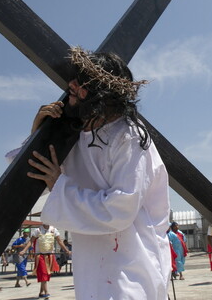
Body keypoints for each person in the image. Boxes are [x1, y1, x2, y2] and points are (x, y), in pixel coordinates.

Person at [26, 48, 171, 299]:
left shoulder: (129, 137)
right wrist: (38, 133)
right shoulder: (74, 134)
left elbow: (119, 210)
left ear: (101, 92)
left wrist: (59, 185)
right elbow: (32, 175)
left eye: (80, 82)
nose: (70, 85)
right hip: (92, 264)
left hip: (131, 265)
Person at [21, 223, 71, 298]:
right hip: (40, 255)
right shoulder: (38, 230)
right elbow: (31, 241)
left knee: (47, 274)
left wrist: (66, 250)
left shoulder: (54, 230)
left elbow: (59, 241)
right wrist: (24, 250)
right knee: (43, 273)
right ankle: (46, 291)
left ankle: (41, 292)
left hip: (50, 255)